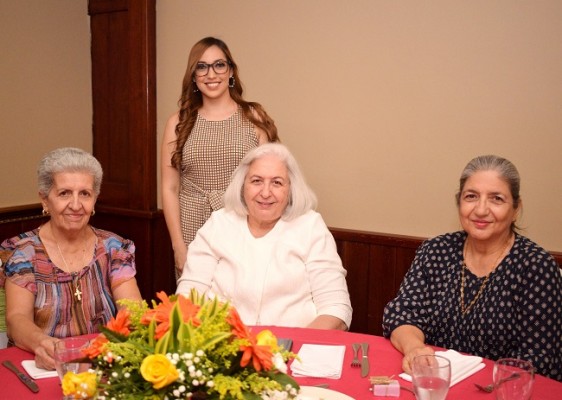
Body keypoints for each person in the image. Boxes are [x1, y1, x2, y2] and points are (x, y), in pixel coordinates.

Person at [382, 155, 562, 381]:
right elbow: (402, 314)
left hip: (499, 390)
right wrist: (415, 349)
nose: (481, 209)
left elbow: (538, 358)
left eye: (496, 199)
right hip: (433, 383)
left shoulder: (536, 266)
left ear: (516, 208)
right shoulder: (436, 250)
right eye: (471, 197)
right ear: (459, 202)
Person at [176, 143, 352, 330]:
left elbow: (336, 309)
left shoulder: (311, 227)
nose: (266, 193)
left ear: (290, 188)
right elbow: (187, 296)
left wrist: (296, 348)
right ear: (243, 185)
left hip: (293, 350)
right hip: (222, 346)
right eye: (256, 181)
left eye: (277, 182)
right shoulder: (218, 224)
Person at [0, 147, 142, 370]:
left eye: (84, 194)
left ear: (94, 200)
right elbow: (16, 319)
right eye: (64, 193)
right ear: (45, 199)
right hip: (43, 365)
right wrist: (44, 344)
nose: (76, 205)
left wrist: (113, 347)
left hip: (103, 362)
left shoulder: (113, 247)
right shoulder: (23, 252)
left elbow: (132, 309)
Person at [161, 36, 279, 279]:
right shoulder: (178, 122)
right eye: (201, 67)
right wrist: (179, 247)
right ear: (193, 75)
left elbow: (271, 179)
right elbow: (169, 188)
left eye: (219, 65)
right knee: (197, 310)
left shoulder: (253, 116)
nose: (211, 74)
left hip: (244, 223)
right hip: (193, 225)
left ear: (231, 71)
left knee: (243, 306)